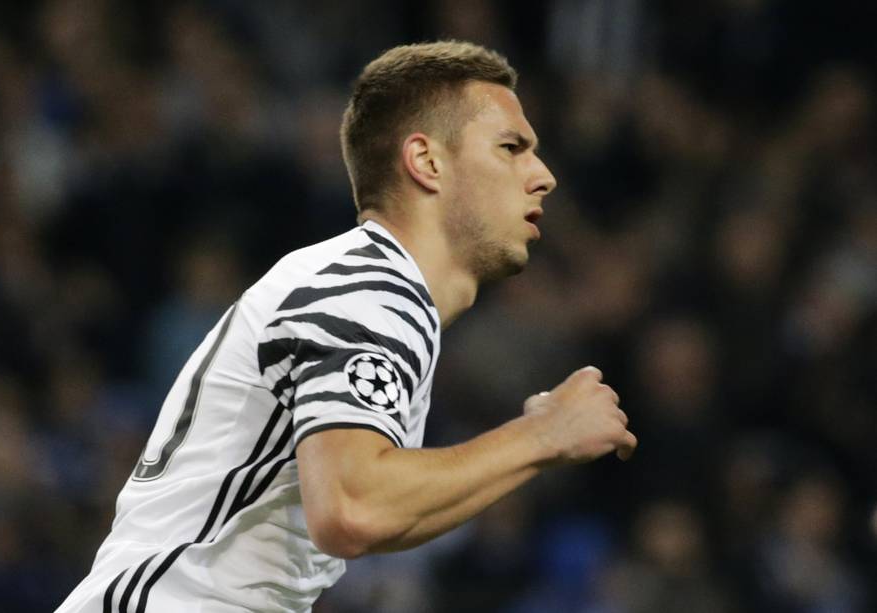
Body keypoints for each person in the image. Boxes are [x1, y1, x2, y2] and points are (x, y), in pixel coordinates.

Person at [55, 40, 637, 613]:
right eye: (511, 147)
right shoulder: (366, 289)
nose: (543, 175)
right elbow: (353, 509)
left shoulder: (371, 287)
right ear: (427, 162)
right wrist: (541, 436)